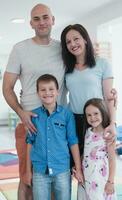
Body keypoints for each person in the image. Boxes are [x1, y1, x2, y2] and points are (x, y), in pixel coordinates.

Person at [2, 4, 66, 200]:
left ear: (53, 19)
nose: (42, 22)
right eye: (36, 19)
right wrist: (21, 113)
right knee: (26, 179)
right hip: (29, 125)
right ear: (31, 23)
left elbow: (80, 74)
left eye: (45, 17)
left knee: (57, 180)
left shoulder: (63, 49)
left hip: (58, 126)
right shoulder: (20, 49)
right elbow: (7, 88)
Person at [60, 24, 116, 164]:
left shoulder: (102, 63)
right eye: (68, 42)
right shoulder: (66, 68)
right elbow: (56, 92)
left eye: (76, 39)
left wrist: (113, 123)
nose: (73, 44)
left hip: (97, 120)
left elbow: (110, 97)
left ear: (85, 39)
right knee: (76, 167)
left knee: (98, 166)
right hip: (74, 121)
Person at [26, 74, 83, 200]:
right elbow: (30, 143)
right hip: (39, 171)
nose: (47, 93)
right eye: (43, 89)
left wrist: (78, 169)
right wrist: (28, 171)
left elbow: (73, 142)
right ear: (38, 93)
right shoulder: (33, 116)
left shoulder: (66, 115)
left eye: (51, 89)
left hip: (62, 170)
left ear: (57, 92)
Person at [77, 98, 117, 200]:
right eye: (89, 115)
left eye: (96, 113)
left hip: (101, 179)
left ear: (103, 113)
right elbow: (86, 153)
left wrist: (110, 182)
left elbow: (112, 160)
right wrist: (78, 167)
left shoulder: (108, 134)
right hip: (88, 177)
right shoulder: (87, 132)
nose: (92, 118)